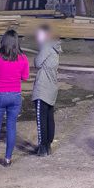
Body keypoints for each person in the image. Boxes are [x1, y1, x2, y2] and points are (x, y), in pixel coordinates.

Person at [0, 29, 30, 168]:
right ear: (16, 42)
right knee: (11, 127)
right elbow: (25, 77)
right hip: (15, 96)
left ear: (3, 41)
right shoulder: (23, 58)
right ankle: (7, 159)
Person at [31, 25, 61, 156]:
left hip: (43, 87)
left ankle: (42, 147)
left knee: (41, 117)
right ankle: (48, 145)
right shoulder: (56, 48)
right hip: (52, 87)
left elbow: (37, 62)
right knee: (49, 116)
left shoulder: (47, 47)